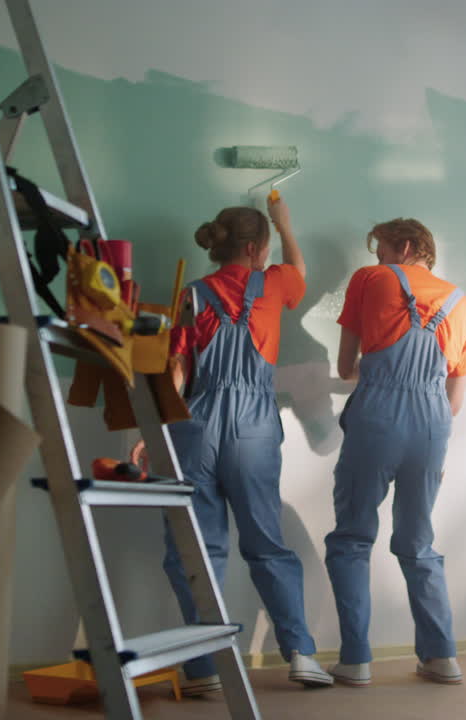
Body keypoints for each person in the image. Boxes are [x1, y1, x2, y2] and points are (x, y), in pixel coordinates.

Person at [162, 196, 332, 692]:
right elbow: (298, 267)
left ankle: (202, 669)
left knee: (195, 548)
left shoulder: (192, 294)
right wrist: (286, 222)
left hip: (195, 422)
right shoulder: (276, 282)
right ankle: (300, 655)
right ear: (258, 249)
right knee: (267, 543)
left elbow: (176, 373)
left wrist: (151, 436)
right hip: (254, 424)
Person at [324, 218, 466, 687]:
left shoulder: (370, 280)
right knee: (418, 542)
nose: (376, 260)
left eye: (381, 250)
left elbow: (346, 366)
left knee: (352, 537)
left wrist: (374, 373)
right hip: (432, 426)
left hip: (377, 415)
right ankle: (442, 657)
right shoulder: (463, 305)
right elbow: (454, 403)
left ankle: (355, 661)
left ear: (405, 246)